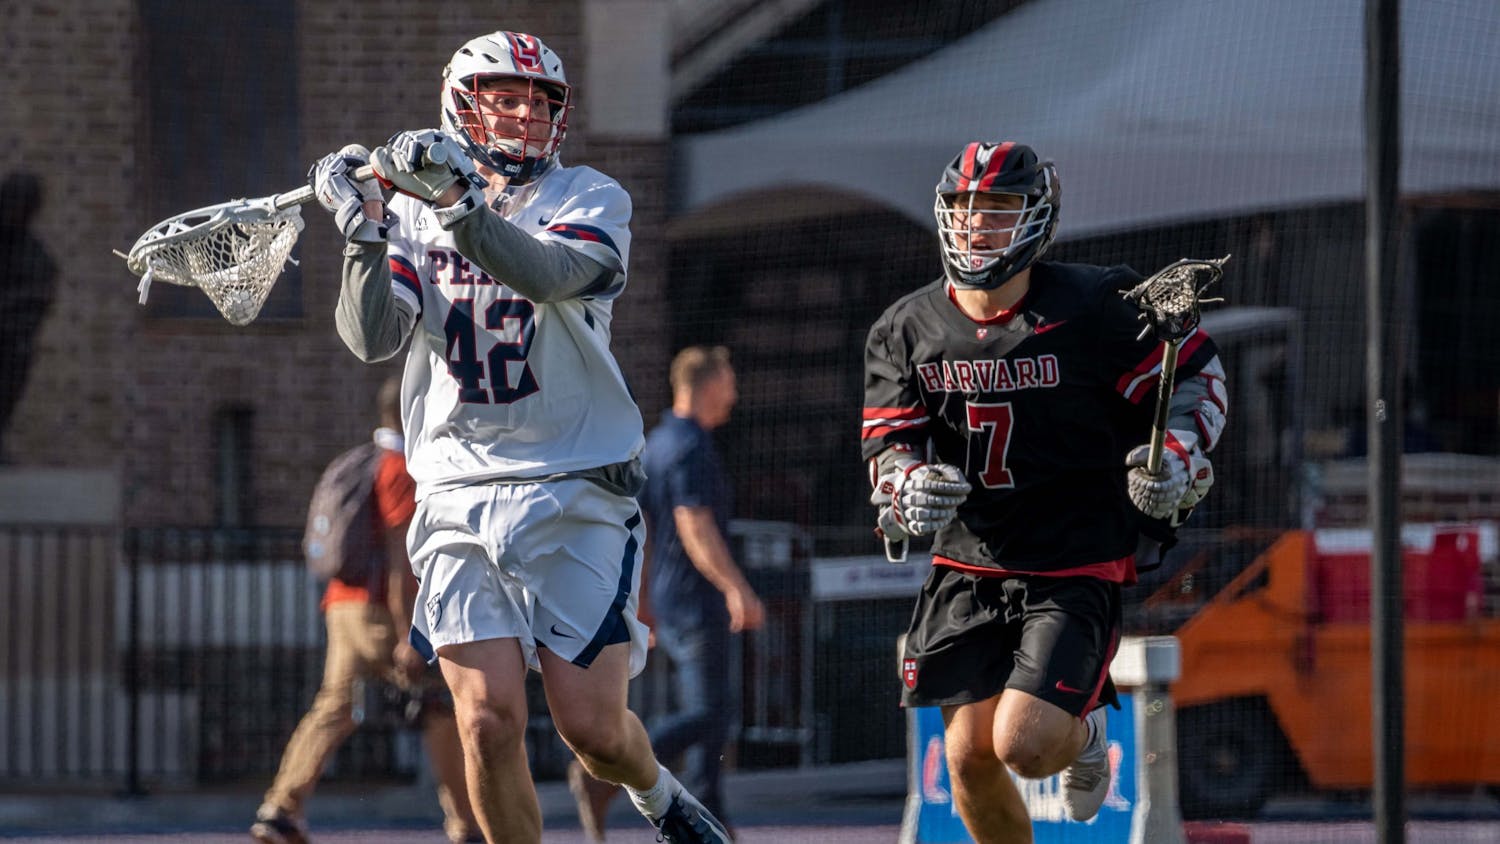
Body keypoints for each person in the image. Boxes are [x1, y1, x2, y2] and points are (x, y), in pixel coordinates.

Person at [307, 30, 732, 844]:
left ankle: (658, 793)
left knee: (593, 732)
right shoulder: (414, 208)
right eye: (505, 98)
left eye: (540, 102)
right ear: (461, 105)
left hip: (573, 482)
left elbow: (544, 273)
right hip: (456, 487)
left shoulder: (591, 195)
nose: (525, 116)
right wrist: (363, 228)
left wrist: (454, 203)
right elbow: (371, 338)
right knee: (484, 722)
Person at [861, 141, 1227, 843]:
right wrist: (906, 481)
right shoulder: (906, 327)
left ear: (1038, 219)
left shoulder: (1094, 305)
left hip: (1072, 557)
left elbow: (1196, 377)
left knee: (1022, 745)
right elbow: (888, 440)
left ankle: (1084, 732)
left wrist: (1178, 455)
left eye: (999, 208)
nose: (977, 225)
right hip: (969, 558)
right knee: (967, 760)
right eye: (965, 208)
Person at [252, 377, 478, 844]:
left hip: (342, 607)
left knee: (335, 707)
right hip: (380, 612)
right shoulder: (401, 470)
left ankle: (280, 809)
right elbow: (401, 562)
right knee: (439, 704)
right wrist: (409, 632)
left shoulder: (358, 461)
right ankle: (467, 826)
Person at [567, 346, 766, 842]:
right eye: (729, 383)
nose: (735, 395)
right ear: (707, 384)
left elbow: (645, 528)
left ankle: (708, 817)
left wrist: (642, 598)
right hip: (696, 601)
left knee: (710, 718)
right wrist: (736, 588)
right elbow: (693, 525)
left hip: (669, 597)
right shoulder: (689, 447)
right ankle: (609, 768)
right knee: (712, 712)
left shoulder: (656, 443)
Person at [0, 170, 58, 461]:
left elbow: (38, 299)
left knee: (12, 365)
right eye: (10, 202)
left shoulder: (37, 258)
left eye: (21, 205)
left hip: (11, 341)